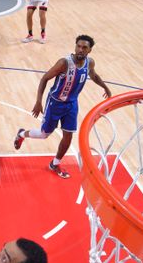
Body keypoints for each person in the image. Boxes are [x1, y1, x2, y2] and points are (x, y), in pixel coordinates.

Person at [14, 35, 111, 178]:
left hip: (72, 104)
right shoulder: (64, 63)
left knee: (68, 136)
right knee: (44, 134)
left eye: (84, 47)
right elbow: (45, 78)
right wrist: (38, 101)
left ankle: (55, 163)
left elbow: (94, 75)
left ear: (90, 50)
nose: (80, 49)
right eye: (78, 46)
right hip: (55, 103)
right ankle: (21, 134)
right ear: (75, 46)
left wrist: (105, 87)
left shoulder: (89, 63)